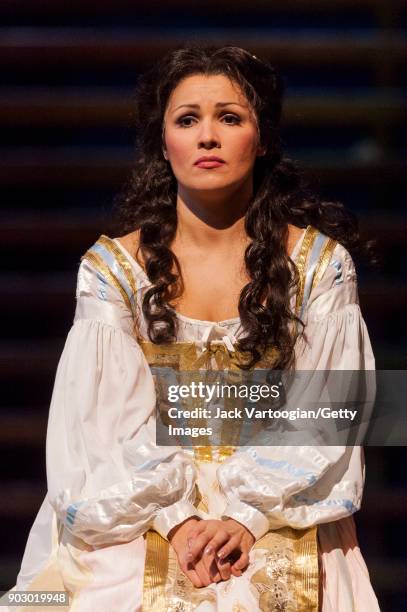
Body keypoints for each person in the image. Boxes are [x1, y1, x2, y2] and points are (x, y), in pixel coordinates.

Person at [10, 46, 380, 611]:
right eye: (188, 120)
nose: (208, 136)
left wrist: (246, 516)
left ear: (262, 138)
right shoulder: (115, 270)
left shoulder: (319, 265)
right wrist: (178, 520)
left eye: (229, 118)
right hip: (140, 502)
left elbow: (330, 411)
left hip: (281, 504)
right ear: (165, 142)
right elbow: (100, 425)